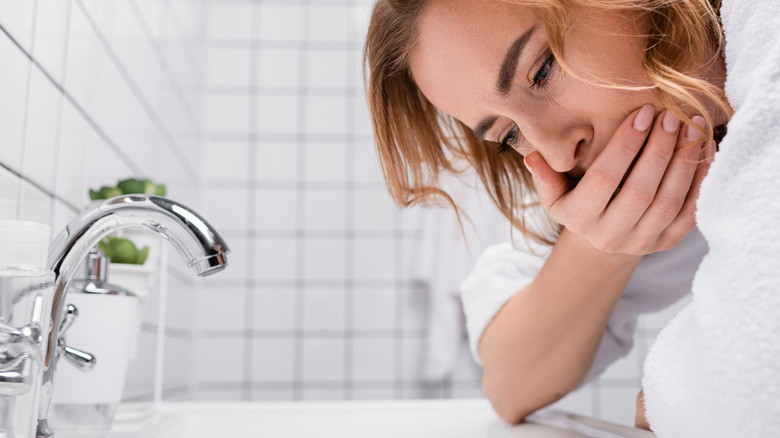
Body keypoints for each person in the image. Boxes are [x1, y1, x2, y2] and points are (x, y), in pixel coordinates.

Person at [363, 0, 734, 428]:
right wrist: (608, 240)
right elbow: (510, 385)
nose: (557, 155)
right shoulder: (587, 182)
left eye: (542, 70)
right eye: (510, 136)